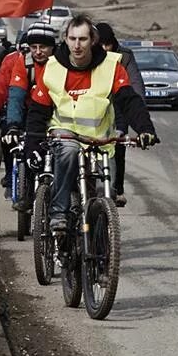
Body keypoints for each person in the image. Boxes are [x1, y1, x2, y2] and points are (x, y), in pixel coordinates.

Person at [25, 15, 159, 232]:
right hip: (65, 136)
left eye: (83, 39)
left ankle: (102, 241)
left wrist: (145, 128)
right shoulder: (52, 67)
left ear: (93, 40)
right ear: (66, 40)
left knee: (104, 190)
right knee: (68, 153)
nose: (77, 45)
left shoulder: (111, 66)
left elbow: (129, 100)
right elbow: (38, 111)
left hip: (100, 140)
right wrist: (32, 145)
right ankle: (59, 213)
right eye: (72, 38)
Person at [0, 22, 56, 197]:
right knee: (10, 139)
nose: (36, 52)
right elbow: (5, 90)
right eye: (32, 47)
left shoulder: (59, 62)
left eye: (42, 47)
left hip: (53, 112)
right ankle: (11, 177)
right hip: (23, 110)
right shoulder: (15, 61)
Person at [95, 22, 145, 207]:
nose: (104, 49)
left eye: (107, 45)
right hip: (91, 109)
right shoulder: (87, 55)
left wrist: (139, 115)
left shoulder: (124, 57)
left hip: (117, 108)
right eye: (100, 45)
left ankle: (117, 189)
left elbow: (136, 87)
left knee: (118, 147)